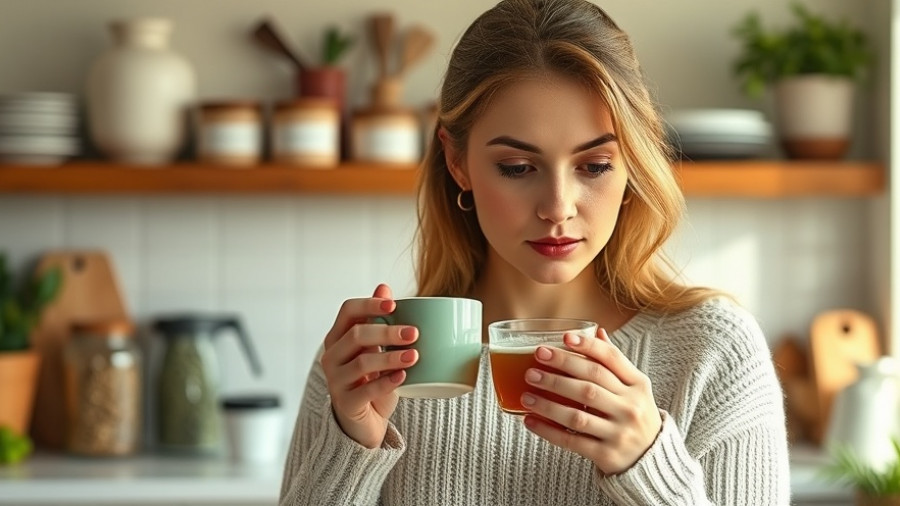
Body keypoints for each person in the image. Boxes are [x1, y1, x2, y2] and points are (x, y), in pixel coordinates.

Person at [279, 0, 790, 504]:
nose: (557, 207)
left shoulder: (714, 354)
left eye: (594, 166)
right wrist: (350, 444)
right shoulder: (370, 362)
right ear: (458, 162)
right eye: (519, 167)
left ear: (631, 162)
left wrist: (648, 468)